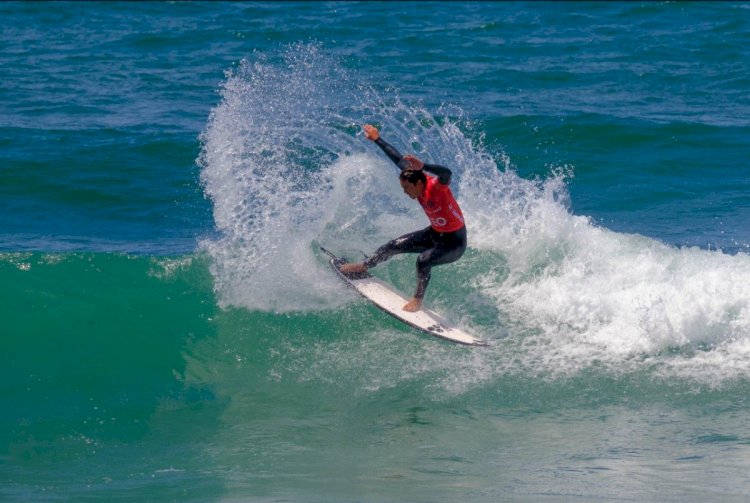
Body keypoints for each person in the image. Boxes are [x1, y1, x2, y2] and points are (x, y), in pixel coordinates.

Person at [340, 124, 467, 312]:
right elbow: (397, 158)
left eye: (407, 188)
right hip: (434, 234)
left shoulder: (437, 188)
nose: (405, 192)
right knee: (391, 247)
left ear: (418, 183)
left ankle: (417, 300)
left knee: (423, 261)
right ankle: (364, 266)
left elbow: (447, 173)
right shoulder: (413, 176)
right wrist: (377, 139)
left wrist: (424, 166)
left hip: (454, 243)